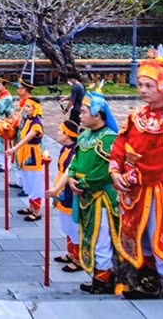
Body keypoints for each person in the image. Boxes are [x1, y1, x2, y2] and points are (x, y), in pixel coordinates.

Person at [110, 54, 163, 299]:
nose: (143, 90)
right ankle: (148, 281)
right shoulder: (137, 115)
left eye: (149, 85)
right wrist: (115, 169)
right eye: (140, 85)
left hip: (160, 187)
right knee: (141, 233)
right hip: (133, 187)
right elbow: (121, 141)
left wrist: (135, 174)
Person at [67, 92, 119, 294]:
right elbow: (75, 159)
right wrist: (71, 176)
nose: (80, 115)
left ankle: (103, 278)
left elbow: (103, 171)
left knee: (101, 237)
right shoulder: (84, 135)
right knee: (90, 236)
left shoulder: (108, 138)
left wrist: (83, 183)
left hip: (101, 198)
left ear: (98, 115)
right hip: (85, 194)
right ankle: (98, 275)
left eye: (84, 112)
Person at [46, 120, 82, 273]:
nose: (58, 133)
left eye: (61, 131)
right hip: (61, 188)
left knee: (73, 226)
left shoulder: (75, 151)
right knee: (66, 225)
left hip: (68, 190)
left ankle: (78, 259)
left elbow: (70, 172)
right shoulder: (65, 149)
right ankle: (70, 253)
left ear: (67, 135)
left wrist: (57, 189)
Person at [5, 97, 44, 222]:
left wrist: (14, 149)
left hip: (32, 154)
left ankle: (37, 211)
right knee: (27, 181)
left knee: (34, 183)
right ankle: (31, 207)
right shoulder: (28, 120)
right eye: (26, 106)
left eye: (29, 107)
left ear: (35, 108)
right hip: (24, 152)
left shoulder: (36, 123)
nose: (26, 109)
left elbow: (27, 138)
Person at [10, 78, 36, 194]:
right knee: (18, 158)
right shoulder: (21, 101)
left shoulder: (32, 103)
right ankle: (20, 181)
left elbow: (30, 121)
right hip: (19, 133)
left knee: (26, 160)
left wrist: (16, 122)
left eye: (20, 88)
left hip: (27, 137)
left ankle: (27, 187)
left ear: (25, 90)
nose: (17, 90)